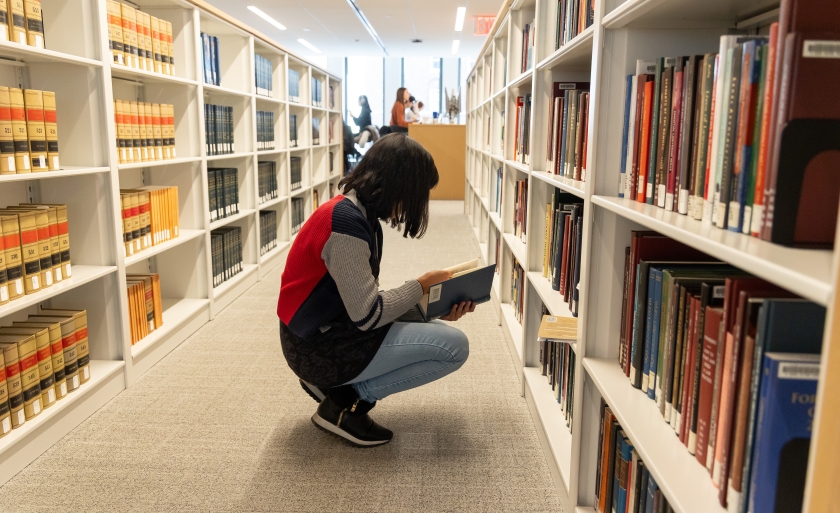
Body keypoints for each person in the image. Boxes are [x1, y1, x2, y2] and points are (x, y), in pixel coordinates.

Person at [277, 134, 474, 447]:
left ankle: (336, 387)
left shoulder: (354, 213)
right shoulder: (346, 226)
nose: (418, 204)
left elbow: (363, 302)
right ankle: (346, 402)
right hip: (314, 349)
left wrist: (429, 310)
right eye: (418, 194)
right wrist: (421, 285)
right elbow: (369, 315)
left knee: (435, 329)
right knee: (453, 348)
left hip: (323, 331)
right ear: (399, 187)